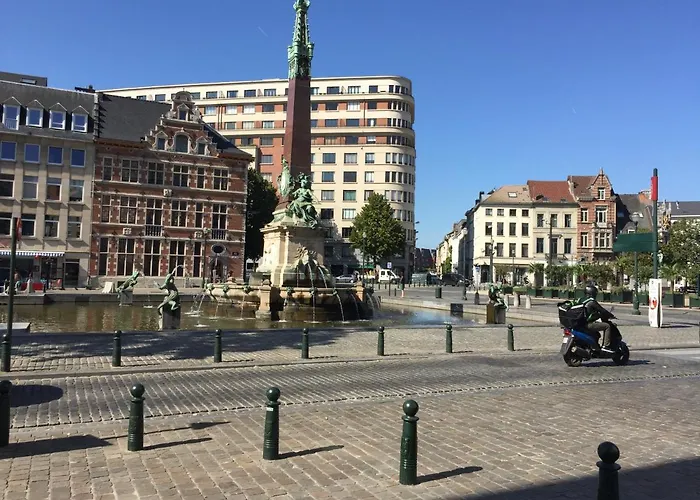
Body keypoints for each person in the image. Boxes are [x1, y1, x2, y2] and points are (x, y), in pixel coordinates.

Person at [580, 284, 615, 352]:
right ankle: (606, 346)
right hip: (588, 324)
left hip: (580, 323)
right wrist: (611, 315)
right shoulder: (592, 302)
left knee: (596, 334)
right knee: (607, 326)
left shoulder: (581, 300)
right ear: (592, 294)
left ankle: (594, 347)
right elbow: (602, 310)